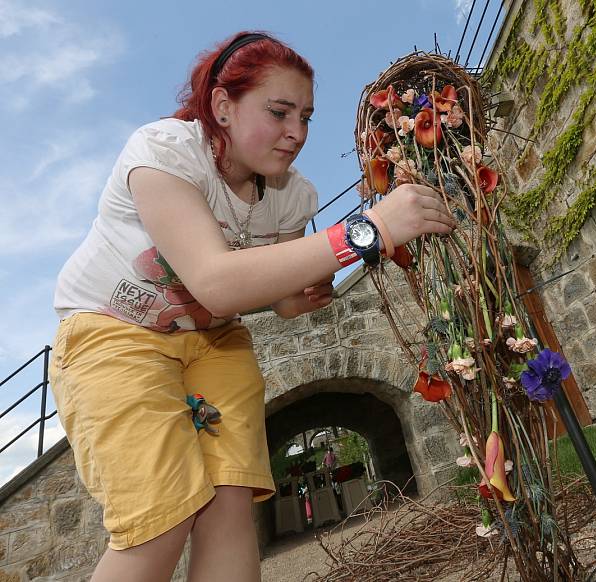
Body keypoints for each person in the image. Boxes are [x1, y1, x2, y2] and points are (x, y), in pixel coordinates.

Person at [49, 31, 454, 582]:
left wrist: (299, 293)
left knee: (230, 505)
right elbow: (216, 282)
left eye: (306, 117)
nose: (297, 133)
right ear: (222, 106)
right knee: (161, 517)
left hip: (217, 342)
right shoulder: (163, 153)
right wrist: (369, 229)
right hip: (115, 332)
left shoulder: (294, 196)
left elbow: (272, 296)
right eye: (280, 111)